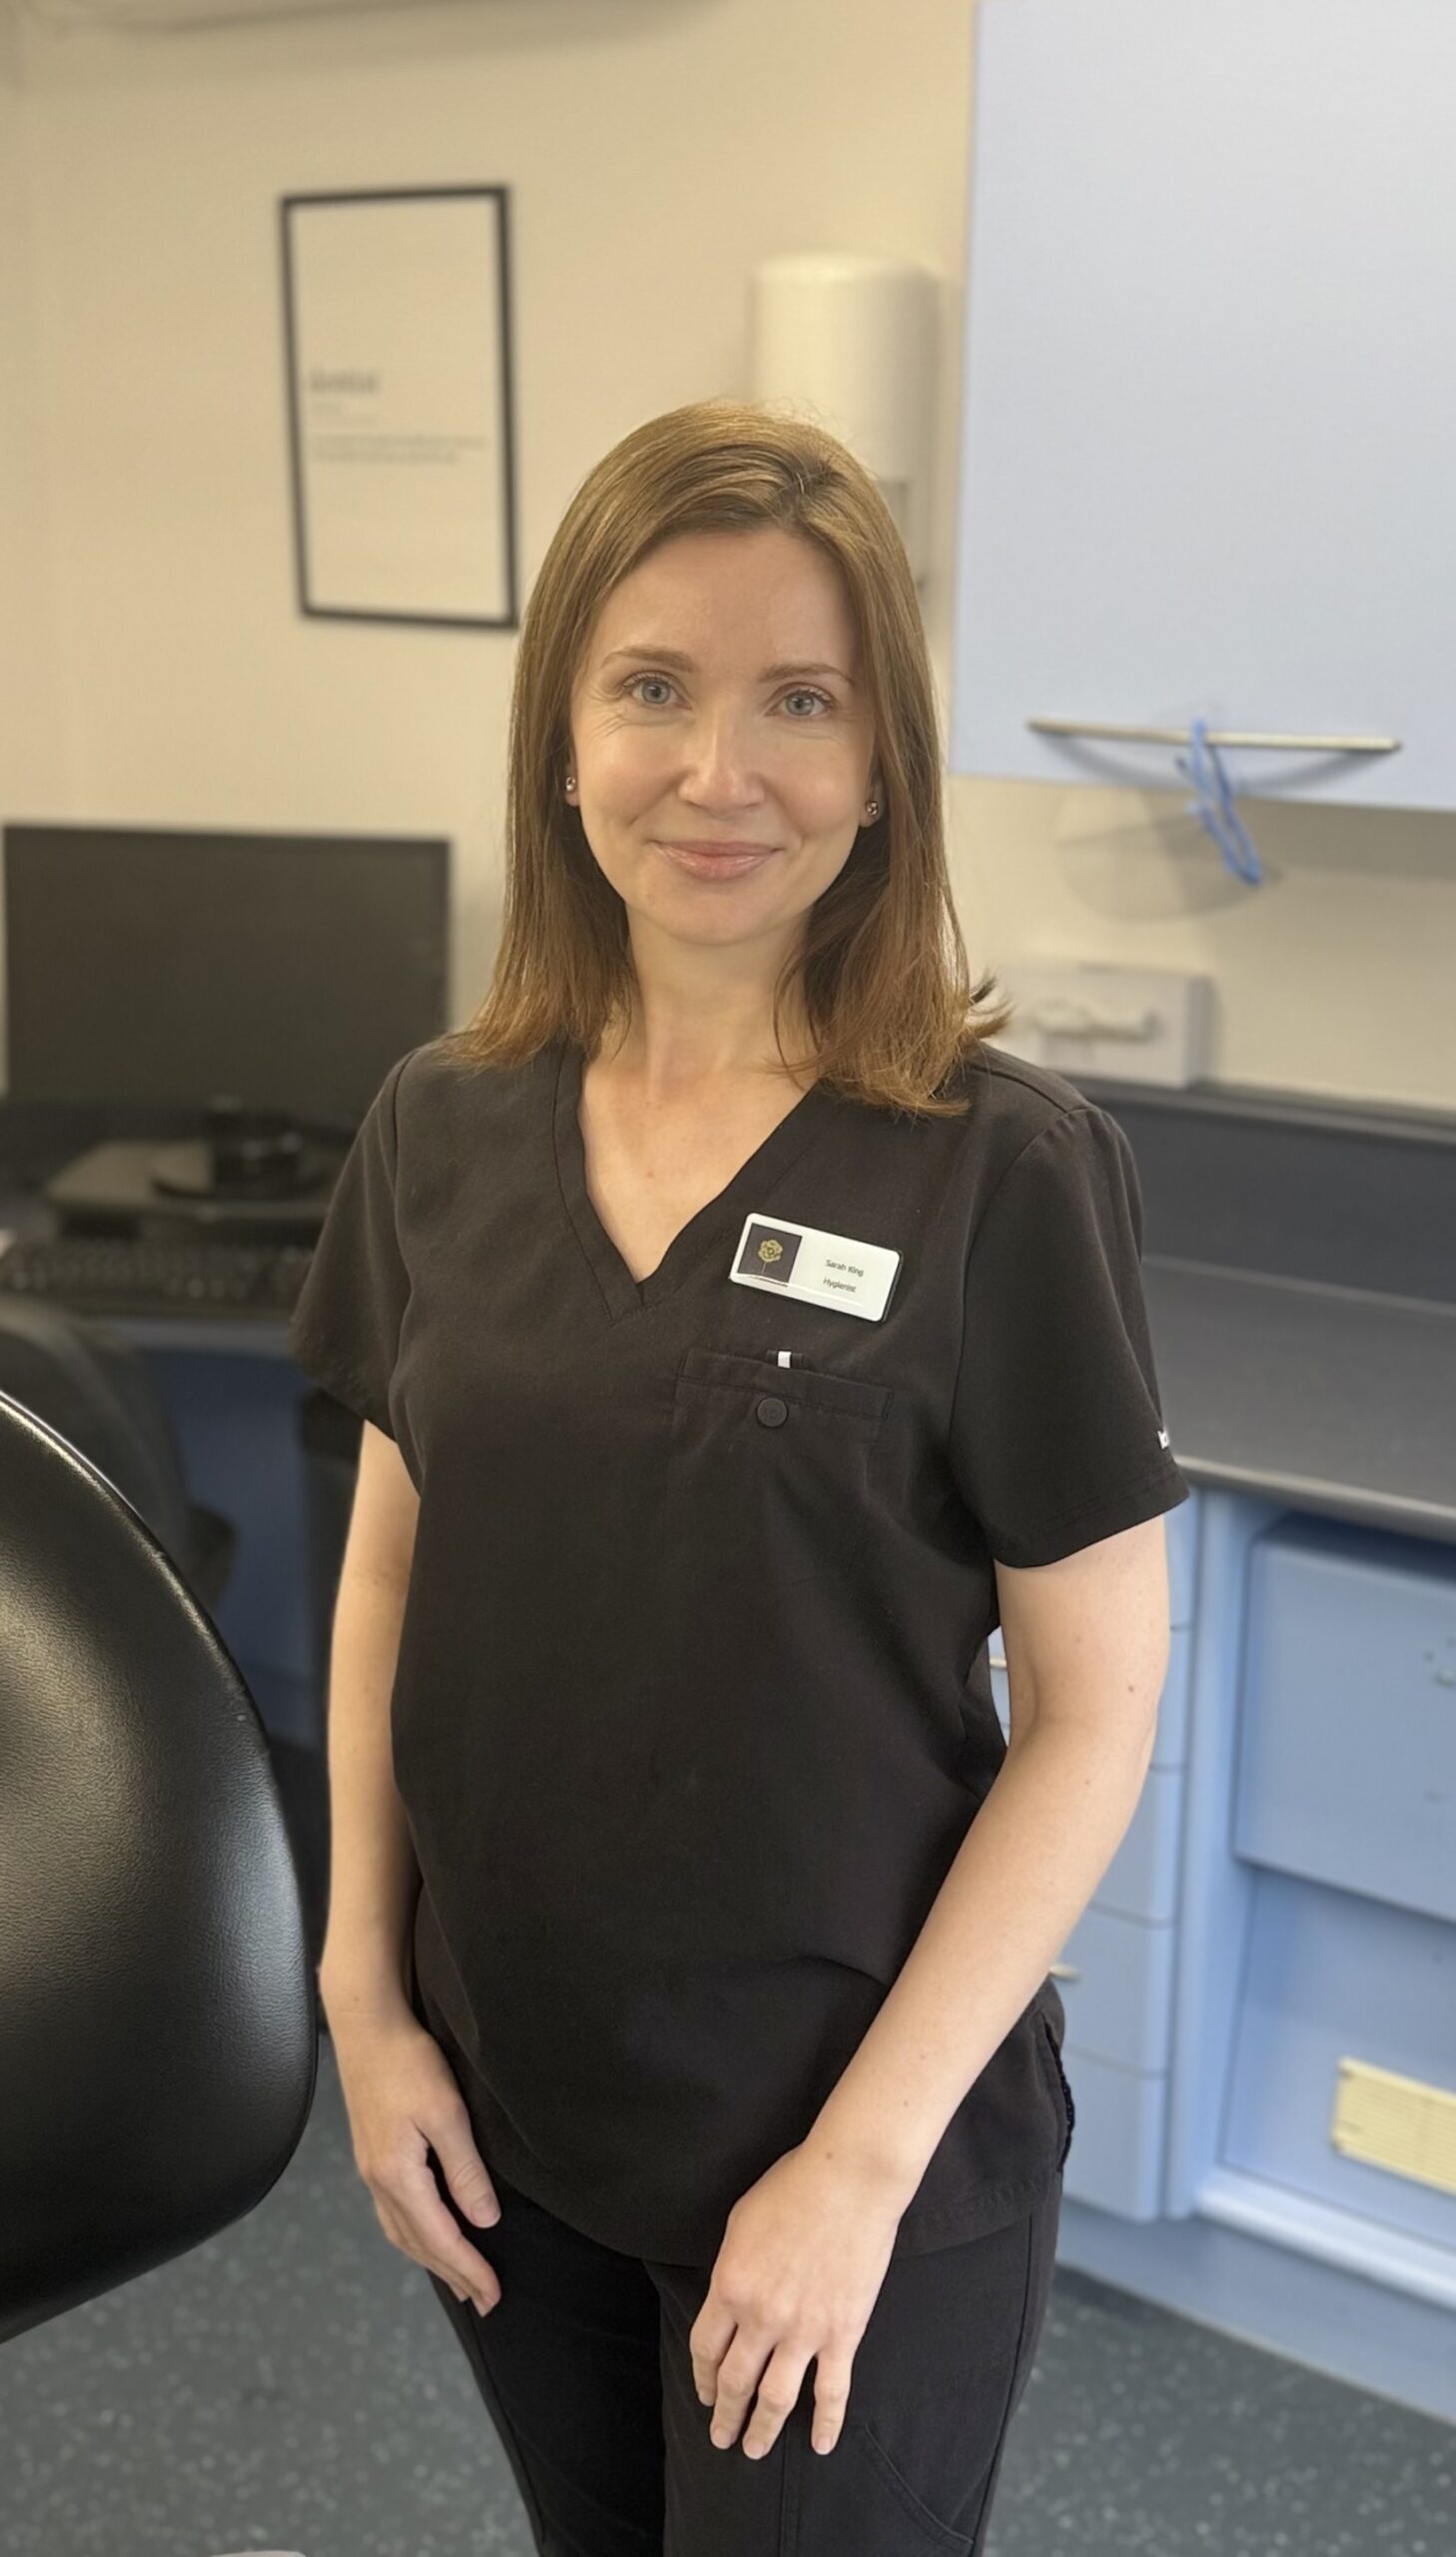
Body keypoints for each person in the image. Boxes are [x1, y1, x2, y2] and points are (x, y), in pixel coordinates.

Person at [288, 396, 1190, 2555]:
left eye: (801, 699)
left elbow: (1096, 1709)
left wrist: (856, 2169)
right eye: (655, 688)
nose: (720, 771)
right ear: (564, 733)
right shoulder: (442, 1123)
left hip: (852, 2143)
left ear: (882, 761)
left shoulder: (1005, 1168)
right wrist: (367, 1995)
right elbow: (395, 1582)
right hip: (514, 2109)